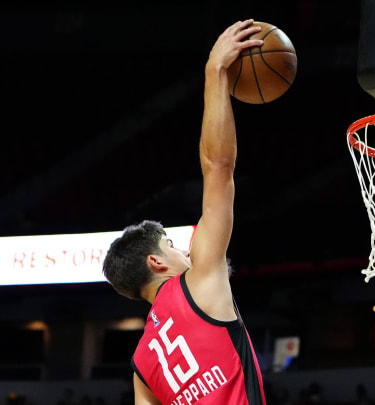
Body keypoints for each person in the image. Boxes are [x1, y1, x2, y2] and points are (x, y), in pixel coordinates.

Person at [102, 19, 266, 405]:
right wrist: (216, 72)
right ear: (156, 262)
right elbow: (218, 166)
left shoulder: (142, 365)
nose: (186, 252)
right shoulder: (199, 281)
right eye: (173, 245)